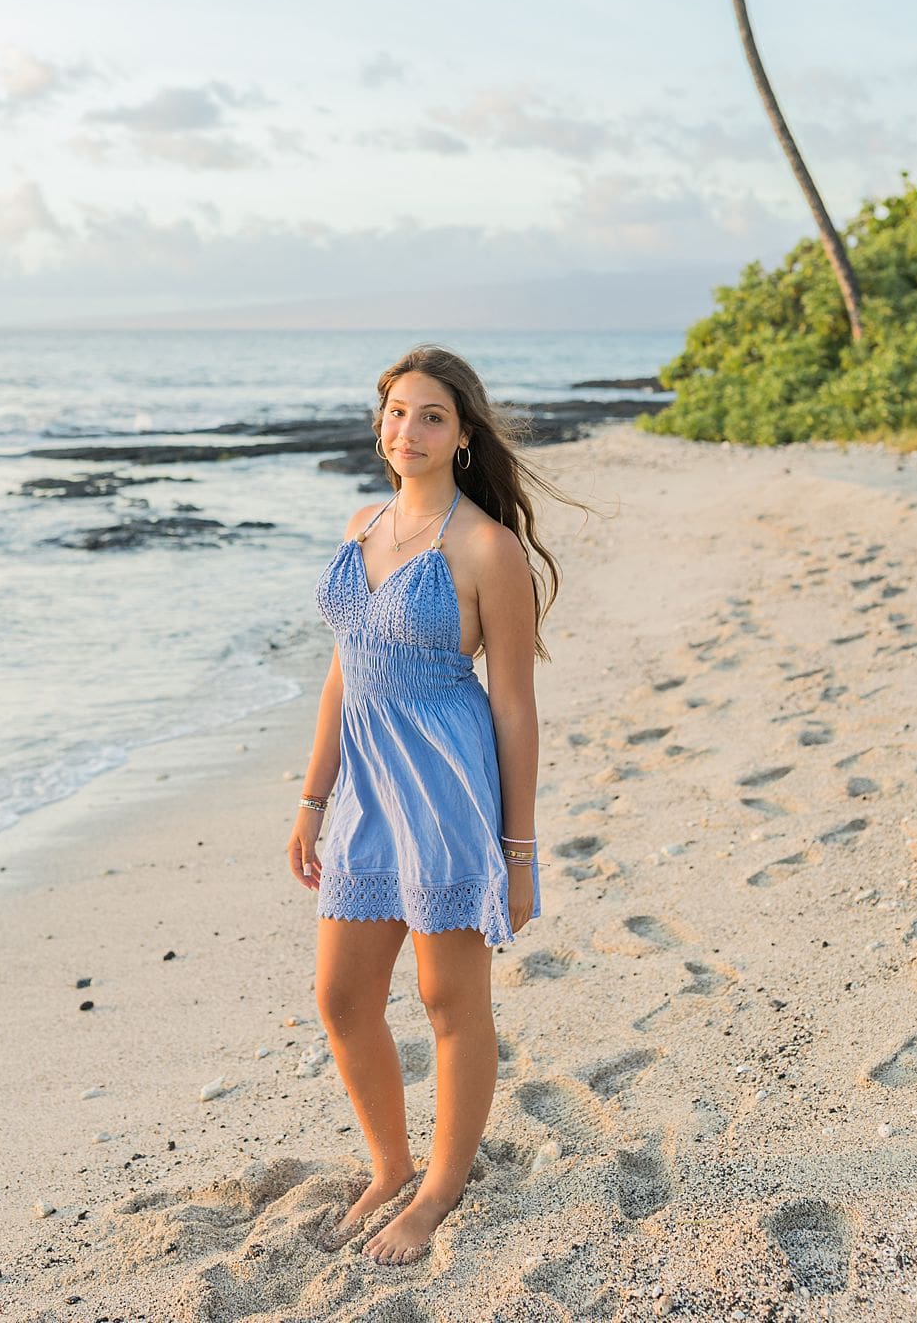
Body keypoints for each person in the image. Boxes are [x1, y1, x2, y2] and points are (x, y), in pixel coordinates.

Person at [286, 343, 579, 1265]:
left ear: (462, 437)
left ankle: (440, 1190)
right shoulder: (360, 523)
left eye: (431, 416)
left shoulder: (486, 547)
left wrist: (520, 852)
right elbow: (345, 669)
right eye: (397, 412)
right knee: (341, 998)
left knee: (448, 1000)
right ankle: (390, 1165)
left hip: (447, 787)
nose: (407, 430)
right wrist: (310, 796)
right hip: (365, 792)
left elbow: (515, 708)